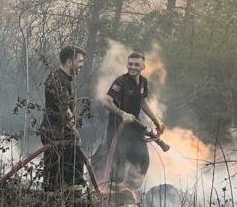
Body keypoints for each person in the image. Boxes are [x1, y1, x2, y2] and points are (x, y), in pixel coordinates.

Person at [94, 51, 166, 190]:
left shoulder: (143, 82)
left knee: (143, 161)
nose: (132, 67)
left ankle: (131, 191)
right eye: (130, 64)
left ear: (143, 66)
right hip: (118, 128)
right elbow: (106, 102)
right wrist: (123, 114)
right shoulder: (120, 82)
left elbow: (143, 102)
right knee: (118, 166)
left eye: (136, 65)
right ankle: (114, 194)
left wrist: (156, 120)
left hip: (135, 128)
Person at [39, 45, 87, 192]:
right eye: (80, 61)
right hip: (54, 132)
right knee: (54, 174)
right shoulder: (57, 79)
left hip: (60, 132)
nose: (82, 64)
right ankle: (57, 198)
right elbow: (64, 109)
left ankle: (69, 195)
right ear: (69, 62)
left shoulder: (63, 79)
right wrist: (74, 131)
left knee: (67, 168)